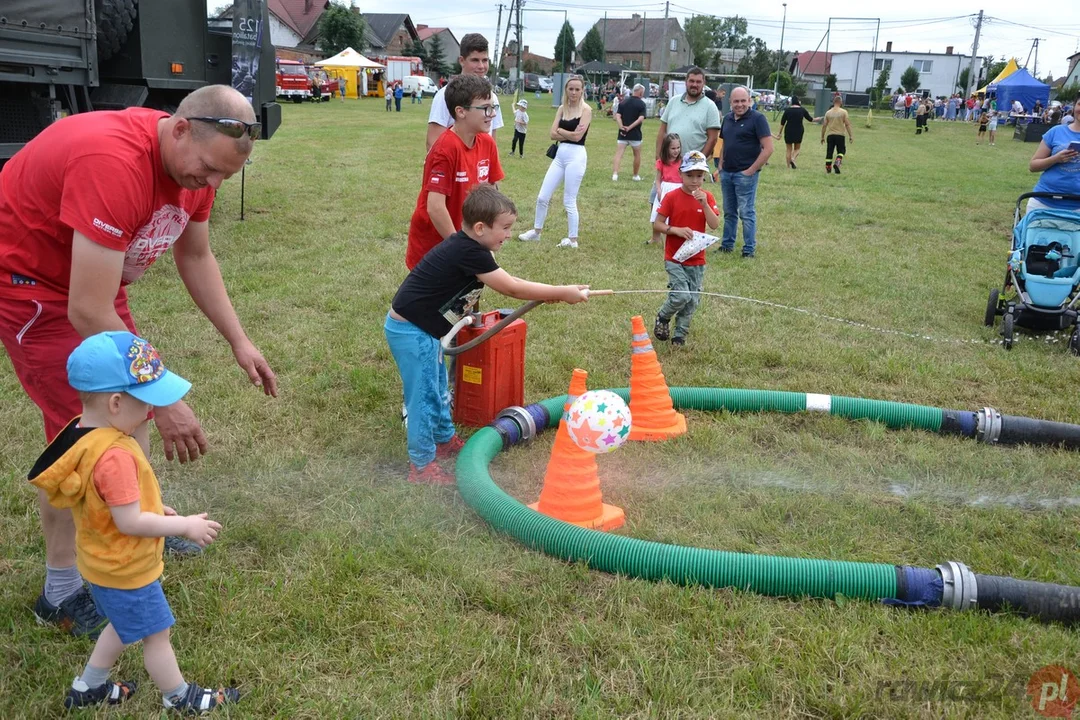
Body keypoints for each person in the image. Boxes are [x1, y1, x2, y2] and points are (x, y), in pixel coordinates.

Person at [0, 85, 276, 637]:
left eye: (224, 176)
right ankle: (61, 591)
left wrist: (238, 340)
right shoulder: (113, 162)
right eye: (206, 170)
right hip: (38, 287)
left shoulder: (198, 164)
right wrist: (167, 397)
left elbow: (195, 254)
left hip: (94, 282)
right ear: (179, 130)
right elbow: (85, 309)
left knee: (128, 415)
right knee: (82, 438)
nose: (211, 186)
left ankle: (138, 522)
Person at [31, 331, 239, 713]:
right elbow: (128, 522)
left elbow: (106, 502)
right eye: (144, 401)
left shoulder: (85, 434)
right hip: (125, 566)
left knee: (122, 626)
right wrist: (184, 526)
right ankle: (180, 696)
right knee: (157, 636)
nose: (149, 411)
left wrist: (155, 508)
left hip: (101, 563)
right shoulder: (115, 456)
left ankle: (87, 687)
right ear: (115, 402)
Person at [387, 186, 590, 484]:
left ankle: (444, 440)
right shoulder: (470, 251)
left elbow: (513, 281)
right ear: (480, 228)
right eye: (505, 228)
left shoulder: (472, 248)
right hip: (411, 331)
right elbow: (512, 287)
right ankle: (421, 466)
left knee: (440, 387)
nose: (508, 235)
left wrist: (559, 292)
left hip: (424, 331)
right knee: (424, 397)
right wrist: (561, 292)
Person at [405, 74, 504, 270]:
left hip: (468, 242)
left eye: (493, 107)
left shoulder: (487, 143)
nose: (492, 114)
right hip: (435, 246)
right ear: (460, 111)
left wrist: (486, 239)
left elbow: (491, 193)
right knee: (440, 300)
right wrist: (459, 248)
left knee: (470, 295)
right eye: (485, 108)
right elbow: (435, 207)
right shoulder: (445, 148)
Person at [651, 151, 720, 347]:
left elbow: (714, 224)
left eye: (699, 176)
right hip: (674, 257)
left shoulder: (708, 197)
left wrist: (705, 204)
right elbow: (658, 224)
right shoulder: (672, 197)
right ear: (681, 174)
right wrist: (676, 230)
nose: (695, 181)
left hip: (697, 259)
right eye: (690, 176)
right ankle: (663, 317)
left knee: (692, 301)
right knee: (681, 295)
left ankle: (679, 336)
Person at [517, 75, 592, 249]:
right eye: (570, 89)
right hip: (561, 155)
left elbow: (578, 136)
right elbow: (552, 134)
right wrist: (567, 133)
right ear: (566, 90)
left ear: (582, 91)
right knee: (543, 196)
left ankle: (572, 240)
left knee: (569, 199)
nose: (573, 92)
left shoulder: (586, 110)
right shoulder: (562, 108)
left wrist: (561, 130)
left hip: (577, 155)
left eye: (577, 89)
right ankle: (536, 231)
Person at [717, 86, 773, 258]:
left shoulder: (758, 119)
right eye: (736, 101)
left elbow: (768, 148)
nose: (739, 105)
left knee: (746, 212)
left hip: (745, 175)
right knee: (729, 211)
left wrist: (751, 170)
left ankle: (749, 249)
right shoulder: (727, 119)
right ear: (730, 102)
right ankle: (727, 244)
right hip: (727, 173)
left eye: (743, 101)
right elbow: (724, 143)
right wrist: (720, 165)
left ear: (750, 101)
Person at [427, 34, 503, 150]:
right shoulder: (445, 95)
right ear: (462, 61)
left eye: (485, 60)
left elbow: (492, 144)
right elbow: (433, 143)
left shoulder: (491, 97)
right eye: (475, 60)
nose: (481, 66)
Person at [654, 67, 721, 159]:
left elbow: (712, 139)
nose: (694, 84)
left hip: (692, 167)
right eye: (691, 81)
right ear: (686, 82)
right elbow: (662, 131)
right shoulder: (673, 101)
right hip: (670, 162)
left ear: (704, 83)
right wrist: (658, 157)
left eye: (698, 82)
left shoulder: (710, 106)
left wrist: (698, 162)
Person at [1026, 110, 1080, 213]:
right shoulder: (1056, 131)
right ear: (1074, 106)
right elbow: (1033, 166)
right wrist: (1056, 159)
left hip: (1077, 206)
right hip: (1043, 201)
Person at [649, 133, 684, 244]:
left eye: (678, 148)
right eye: (673, 148)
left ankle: (675, 238)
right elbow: (658, 179)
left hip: (678, 189)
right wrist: (659, 190)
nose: (676, 151)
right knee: (661, 215)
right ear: (666, 148)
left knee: (676, 216)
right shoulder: (662, 162)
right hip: (665, 190)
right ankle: (659, 239)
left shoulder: (682, 161)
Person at [612, 84, 647, 181]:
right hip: (635, 134)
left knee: (619, 154)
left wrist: (621, 127)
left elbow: (618, 116)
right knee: (637, 155)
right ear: (640, 92)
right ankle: (635, 175)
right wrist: (630, 127)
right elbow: (640, 119)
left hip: (622, 133)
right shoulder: (641, 104)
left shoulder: (623, 102)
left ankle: (615, 174)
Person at [774, 95, 817, 169]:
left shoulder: (787, 110)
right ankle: (793, 159)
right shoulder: (802, 110)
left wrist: (779, 133)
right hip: (799, 130)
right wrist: (818, 119)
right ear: (798, 101)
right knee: (797, 149)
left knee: (788, 149)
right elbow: (810, 119)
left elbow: (782, 123)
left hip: (788, 131)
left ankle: (788, 167)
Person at [821, 94, 854, 175]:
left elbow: (824, 125)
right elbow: (847, 124)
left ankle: (828, 167)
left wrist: (822, 136)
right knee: (842, 151)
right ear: (841, 102)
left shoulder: (828, 112)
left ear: (834, 102)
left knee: (829, 152)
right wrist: (850, 135)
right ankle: (837, 162)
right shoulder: (843, 112)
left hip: (830, 135)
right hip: (840, 135)